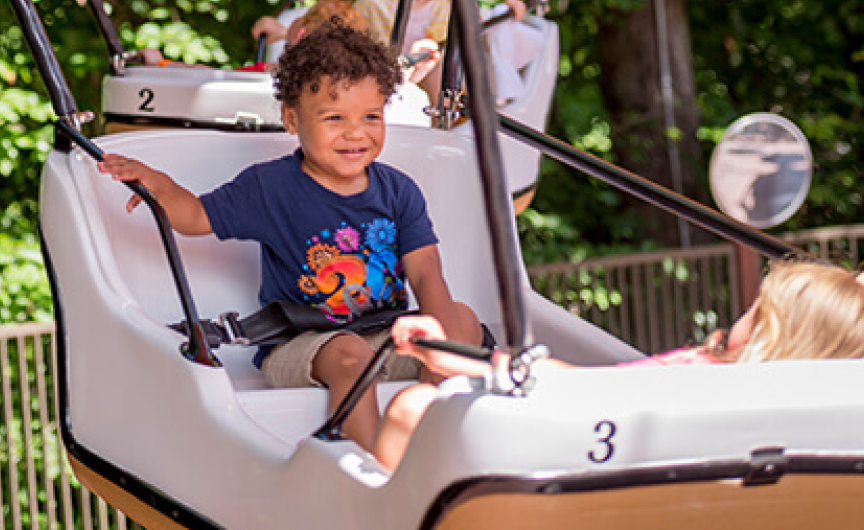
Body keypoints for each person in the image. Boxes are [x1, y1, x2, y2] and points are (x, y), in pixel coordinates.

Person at [98, 21, 483, 453]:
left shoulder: (398, 190)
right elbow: (196, 216)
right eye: (334, 118)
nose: (356, 133)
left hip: (383, 337)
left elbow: (428, 277)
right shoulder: (271, 187)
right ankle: (378, 465)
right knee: (349, 353)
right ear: (292, 119)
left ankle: (434, 431)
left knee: (462, 319)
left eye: (371, 117)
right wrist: (162, 188)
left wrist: (436, 350)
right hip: (306, 345)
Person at [373, 259, 864, 469]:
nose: (748, 306)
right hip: (618, 456)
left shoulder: (706, 384)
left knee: (413, 406)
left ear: (776, 332)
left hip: (594, 461)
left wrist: (462, 362)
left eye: (761, 306)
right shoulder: (797, 411)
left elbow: (583, 390)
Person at [253, 0, 536, 106]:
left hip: (421, 66)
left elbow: (442, 45)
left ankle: (444, 126)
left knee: (439, 72)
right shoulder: (371, 6)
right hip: (370, 63)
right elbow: (333, 23)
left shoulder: (450, 7)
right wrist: (286, 31)